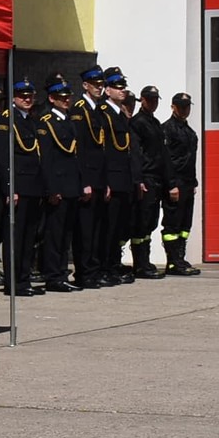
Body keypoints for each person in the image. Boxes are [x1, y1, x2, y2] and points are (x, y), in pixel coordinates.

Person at [34, 78, 84, 294]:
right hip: (58, 187)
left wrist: (80, 185)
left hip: (71, 186)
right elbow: (46, 159)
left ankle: (62, 273)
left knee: (65, 235)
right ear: (52, 99)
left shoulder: (68, 121)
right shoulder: (46, 122)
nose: (66, 101)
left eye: (67, 97)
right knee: (54, 234)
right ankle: (53, 276)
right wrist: (52, 189)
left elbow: (75, 158)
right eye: (61, 98)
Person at [4, 79, 52, 298]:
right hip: (19, 188)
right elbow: (3, 157)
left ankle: (24, 279)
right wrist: (9, 188)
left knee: (29, 237)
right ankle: (13, 282)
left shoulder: (32, 121)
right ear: (14, 97)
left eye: (30, 96)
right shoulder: (8, 120)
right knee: (16, 237)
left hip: (34, 187)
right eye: (22, 96)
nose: (27, 99)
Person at [99, 68, 143, 283]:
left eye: (123, 87)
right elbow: (104, 150)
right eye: (117, 87)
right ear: (107, 90)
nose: (122, 90)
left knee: (119, 227)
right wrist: (105, 181)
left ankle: (113, 264)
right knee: (108, 227)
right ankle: (105, 266)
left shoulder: (119, 114)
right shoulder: (104, 113)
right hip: (112, 179)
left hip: (124, 178)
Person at [69, 67, 112, 288]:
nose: (99, 87)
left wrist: (106, 182)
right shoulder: (80, 109)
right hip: (88, 178)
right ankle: (84, 273)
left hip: (99, 178)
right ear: (85, 85)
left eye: (101, 84)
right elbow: (80, 149)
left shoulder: (98, 110)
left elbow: (102, 148)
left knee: (97, 229)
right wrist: (84, 182)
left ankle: (94, 271)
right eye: (95, 84)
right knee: (85, 230)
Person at [129, 84, 169, 279]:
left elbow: (161, 154)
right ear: (142, 100)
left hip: (156, 178)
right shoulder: (138, 123)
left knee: (151, 221)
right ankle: (140, 263)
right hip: (146, 177)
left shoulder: (154, 122)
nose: (153, 103)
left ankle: (146, 261)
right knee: (142, 222)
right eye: (150, 100)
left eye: (155, 100)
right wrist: (139, 179)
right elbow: (136, 154)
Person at [161, 92, 201, 275]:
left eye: (187, 107)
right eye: (181, 107)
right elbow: (166, 161)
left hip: (187, 183)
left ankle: (180, 258)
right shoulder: (167, 129)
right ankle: (172, 262)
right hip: (175, 183)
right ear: (173, 107)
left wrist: (193, 183)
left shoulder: (188, 131)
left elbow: (191, 160)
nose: (185, 110)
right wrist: (171, 185)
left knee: (185, 224)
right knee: (172, 224)